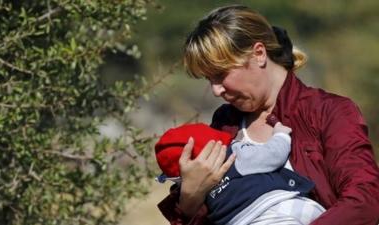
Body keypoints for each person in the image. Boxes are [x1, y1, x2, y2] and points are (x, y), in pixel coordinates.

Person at [157, 4, 379, 225]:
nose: (216, 90)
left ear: (259, 54)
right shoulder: (225, 123)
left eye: (220, 74)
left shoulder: (328, 112)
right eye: (208, 79)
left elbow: (365, 201)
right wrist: (189, 199)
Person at [155, 122, 325, 225]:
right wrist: (281, 135)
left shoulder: (197, 192)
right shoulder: (236, 156)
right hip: (277, 208)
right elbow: (274, 154)